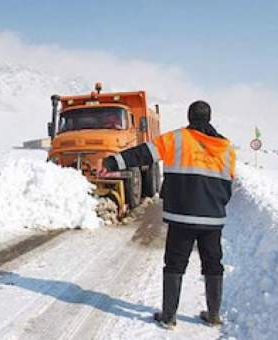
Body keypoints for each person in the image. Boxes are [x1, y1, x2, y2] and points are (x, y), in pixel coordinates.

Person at [99, 100, 235, 329]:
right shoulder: (226, 148)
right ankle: (213, 316)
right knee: (213, 264)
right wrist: (216, 204)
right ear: (209, 118)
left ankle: (169, 317)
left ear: (189, 117)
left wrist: (112, 162)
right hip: (213, 218)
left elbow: (143, 154)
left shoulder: (177, 139)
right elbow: (228, 182)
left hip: (182, 216)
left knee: (174, 264)